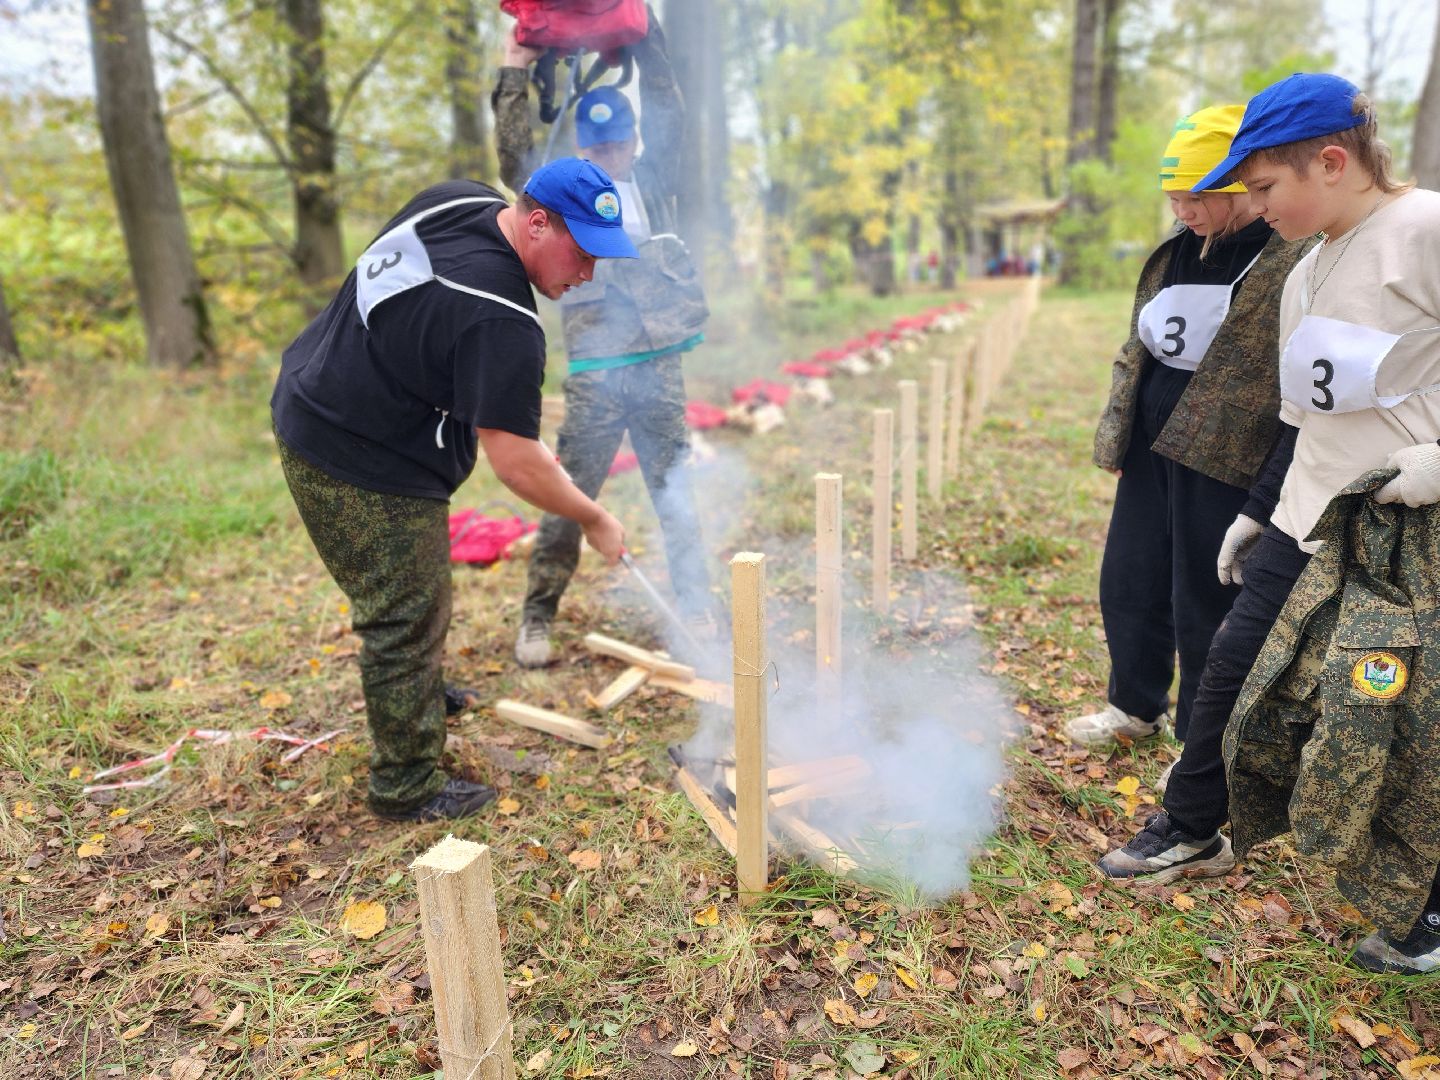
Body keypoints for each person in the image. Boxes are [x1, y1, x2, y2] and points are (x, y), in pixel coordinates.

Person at [1098, 74, 1440, 976]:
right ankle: (1193, 826)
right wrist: (1259, 513)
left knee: (1396, 718)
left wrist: (1434, 464)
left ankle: (1423, 913)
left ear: (1331, 162)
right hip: (1305, 518)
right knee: (1231, 667)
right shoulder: (1307, 264)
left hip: (1405, 537)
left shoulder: (1424, 231)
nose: (1255, 206)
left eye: (1263, 187)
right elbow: (1303, 418)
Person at [271, 157, 634, 822]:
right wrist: (592, 516)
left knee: (419, 589)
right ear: (536, 222)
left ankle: (413, 693)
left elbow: (421, 314)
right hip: (352, 451)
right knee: (404, 612)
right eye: (582, 253)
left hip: (317, 388)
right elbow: (516, 464)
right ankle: (405, 787)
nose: (587, 274)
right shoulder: (502, 319)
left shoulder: (458, 200)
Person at [1070, 106, 1314, 761]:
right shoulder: (1178, 247)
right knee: (1131, 575)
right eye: (1173, 198)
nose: (1182, 212)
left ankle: (1199, 747)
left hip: (1225, 453)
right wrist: (1120, 429)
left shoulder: (1287, 253)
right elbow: (1140, 344)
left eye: (1195, 198)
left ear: (1239, 187)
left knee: (1206, 598)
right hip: (1152, 445)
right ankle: (1133, 705)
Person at [493, 10, 714, 668]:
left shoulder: (654, 179)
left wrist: (648, 37)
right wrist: (514, 72)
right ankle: (538, 615)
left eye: (620, 144)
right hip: (595, 371)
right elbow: (512, 154)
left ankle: (697, 608)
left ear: (633, 140)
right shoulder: (559, 195)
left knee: (675, 494)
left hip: (659, 367)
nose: (611, 156)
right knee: (570, 498)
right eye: (599, 148)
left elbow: (667, 98)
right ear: (582, 148)